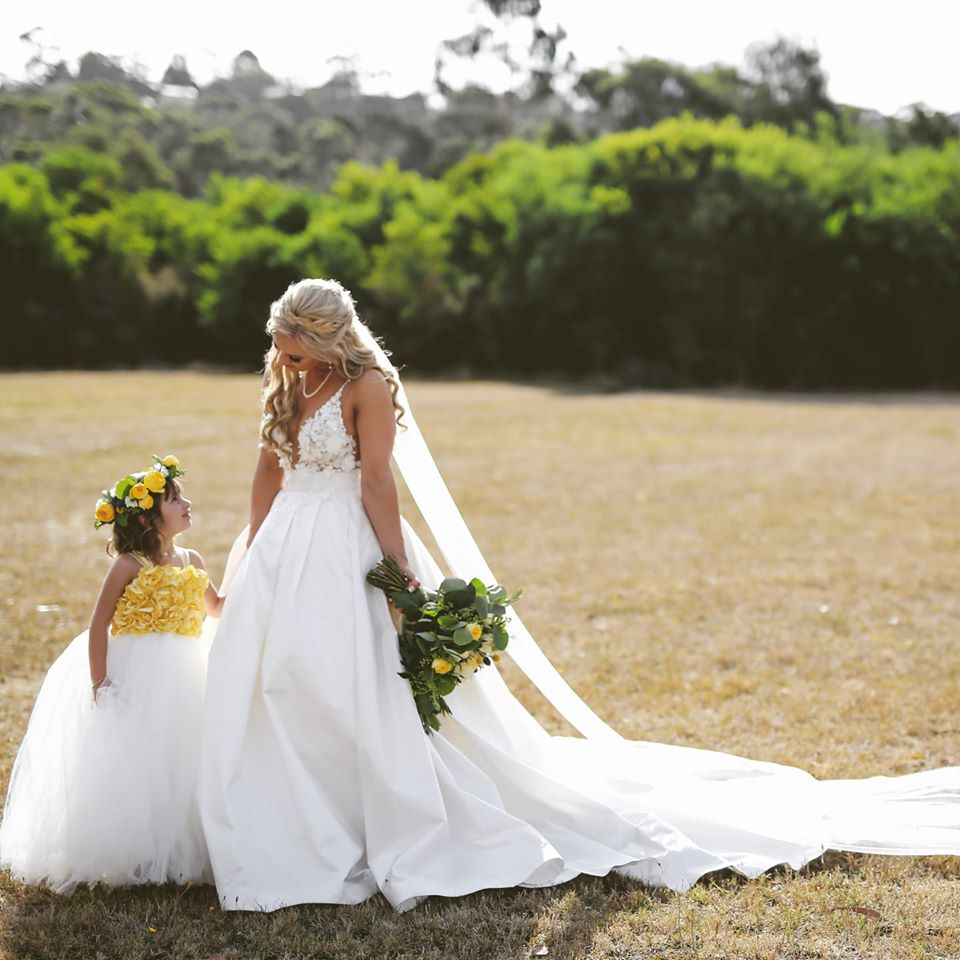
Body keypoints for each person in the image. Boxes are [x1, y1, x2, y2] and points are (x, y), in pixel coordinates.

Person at [200, 278, 960, 914]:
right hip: (285, 548)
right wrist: (255, 546)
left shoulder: (366, 385)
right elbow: (268, 469)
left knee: (356, 684)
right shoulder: (290, 381)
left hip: (346, 543)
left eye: (294, 347)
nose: (284, 359)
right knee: (281, 681)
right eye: (280, 347)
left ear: (329, 338)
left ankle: (364, 817)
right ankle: (287, 820)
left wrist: (399, 576)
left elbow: (374, 482)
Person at [0, 456, 225, 892]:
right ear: (147, 516)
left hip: (184, 673)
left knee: (181, 755)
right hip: (136, 671)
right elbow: (99, 622)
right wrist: (100, 681)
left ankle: (178, 846)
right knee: (138, 758)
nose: (187, 504)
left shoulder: (192, 560)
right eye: (175, 499)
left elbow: (215, 606)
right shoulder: (129, 564)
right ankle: (134, 849)